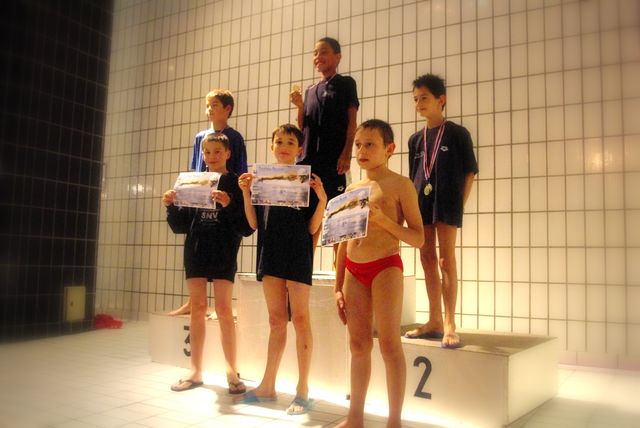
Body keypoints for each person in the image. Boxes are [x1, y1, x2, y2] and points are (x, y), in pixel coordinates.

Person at [334, 119, 424, 428]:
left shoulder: (401, 185)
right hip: (354, 270)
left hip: (386, 265)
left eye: (370, 144)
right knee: (358, 345)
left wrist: (384, 221)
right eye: (358, 145)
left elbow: (418, 238)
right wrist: (337, 286)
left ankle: (394, 421)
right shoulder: (352, 189)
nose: (361, 150)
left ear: (389, 149)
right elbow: (343, 243)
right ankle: (355, 418)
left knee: (389, 345)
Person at [235, 124, 327, 415]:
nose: (284, 146)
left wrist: (322, 199)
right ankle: (267, 385)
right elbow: (253, 224)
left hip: (298, 255)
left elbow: (312, 228)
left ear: (299, 149)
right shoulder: (261, 181)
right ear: (272, 146)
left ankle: (303, 390)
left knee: (300, 319)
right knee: (276, 321)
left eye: (290, 142)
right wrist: (245, 192)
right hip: (271, 254)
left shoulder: (306, 182)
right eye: (279, 142)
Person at [162, 133, 252, 393]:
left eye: (217, 151)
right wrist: (171, 205)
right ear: (202, 155)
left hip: (223, 251)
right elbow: (180, 226)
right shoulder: (193, 182)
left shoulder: (236, 182)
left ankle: (231, 371)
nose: (212, 156)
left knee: (224, 309)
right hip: (196, 250)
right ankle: (195, 370)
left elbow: (245, 227)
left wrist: (229, 204)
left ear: (228, 154)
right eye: (207, 152)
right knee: (198, 308)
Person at [404, 74, 478, 349]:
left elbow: (470, 172)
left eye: (424, 98)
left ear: (441, 99)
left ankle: (449, 323)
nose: (419, 103)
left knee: (446, 260)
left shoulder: (458, 133)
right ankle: (433, 320)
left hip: (447, 203)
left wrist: (460, 203)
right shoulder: (415, 140)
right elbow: (412, 178)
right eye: (415, 99)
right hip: (421, 204)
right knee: (426, 258)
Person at [169, 89, 248, 317]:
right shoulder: (200, 137)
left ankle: (220, 305)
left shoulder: (234, 137)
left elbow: (240, 168)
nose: (209, 109)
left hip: (225, 201)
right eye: (207, 105)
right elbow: (195, 168)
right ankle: (193, 302)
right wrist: (188, 194)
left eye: (214, 105)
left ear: (227, 109)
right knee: (197, 253)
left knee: (223, 255)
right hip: (200, 199)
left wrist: (236, 195)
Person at [290, 37, 358, 248]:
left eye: (324, 52)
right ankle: (305, 266)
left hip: (333, 162)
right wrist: (300, 106)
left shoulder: (346, 83)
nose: (318, 57)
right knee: (309, 222)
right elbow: (303, 127)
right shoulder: (310, 90)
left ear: (338, 57)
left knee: (337, 219)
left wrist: (346, 153)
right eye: (315, 53)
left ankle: (339, 267)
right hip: (308, 163)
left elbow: (352, 121)